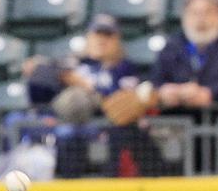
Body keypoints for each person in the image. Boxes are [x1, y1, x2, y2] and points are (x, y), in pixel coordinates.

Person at [11, 14, 140, 177]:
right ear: (88, 37)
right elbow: (38, 79)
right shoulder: (76, 63)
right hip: (60, 119)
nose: (102, 40)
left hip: (99, 125)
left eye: (108, 35)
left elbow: (124, 103)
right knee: (15, 120)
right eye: (97, 34)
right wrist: (44, 67)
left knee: (71, 129)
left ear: (117, 40)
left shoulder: (124, 68)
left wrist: (88, 87)